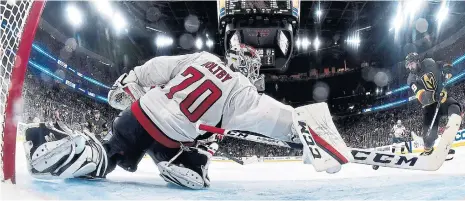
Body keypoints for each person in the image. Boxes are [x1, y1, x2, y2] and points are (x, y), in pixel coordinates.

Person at [22, 44, 352, 190]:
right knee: (203, 151)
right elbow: (277, 119)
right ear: (248, 70)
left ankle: (65, 144)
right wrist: (305, 135)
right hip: (172, 138)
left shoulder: (202, 57)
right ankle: (181, 163)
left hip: (138, 114)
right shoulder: (243, 93)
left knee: (110, 156)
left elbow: (156, 68)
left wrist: (132, 81)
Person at [405, 52, 460, 157]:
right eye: (408, 65)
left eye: (411, 64)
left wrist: (447, 68)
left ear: (417, 61)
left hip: (443, 98)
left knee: (455, 109)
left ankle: (446, 145)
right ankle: (427, 151)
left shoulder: (429, 62)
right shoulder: (411, 80)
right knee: (430, 134)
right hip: (429, 105)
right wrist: (433, 96)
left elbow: (444, 63)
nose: (410, 67)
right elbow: (420, 95)